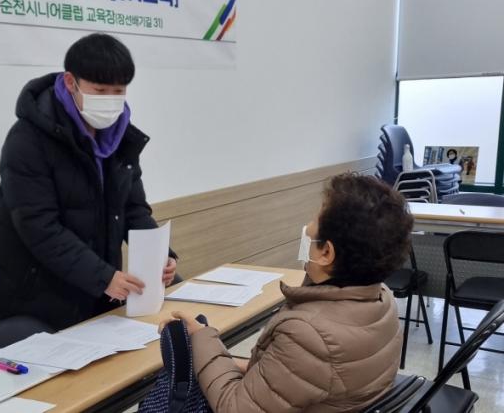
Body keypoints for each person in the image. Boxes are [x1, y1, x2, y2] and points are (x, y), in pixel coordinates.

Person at [162, 173, 413, 412]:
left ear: (326, 253)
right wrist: (229, 360)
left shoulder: (308, 335)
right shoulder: (381, 297)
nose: (307, 228)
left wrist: (202, 337)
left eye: (315, 219)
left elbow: (234, 407)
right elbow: (292, 378)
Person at [0, 33, 177, 330]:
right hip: (40, 301)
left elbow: (133, 209)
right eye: (100, 90)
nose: (110, 100)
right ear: (70, 82)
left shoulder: (119, 137)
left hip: (99, 295)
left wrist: (161, 256)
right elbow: (39, 227)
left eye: (118, 91)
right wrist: (103, 277)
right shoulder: (27, 139)